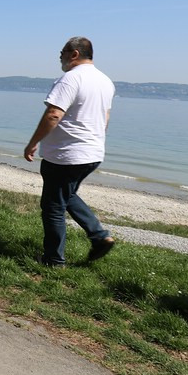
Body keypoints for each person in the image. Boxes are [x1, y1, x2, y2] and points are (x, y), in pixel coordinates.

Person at [23, 36, 116, 267]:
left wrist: (33, 142)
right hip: (93, 153)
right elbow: (105, 118)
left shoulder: (70, 79)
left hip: (67, 154)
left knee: (53, 207)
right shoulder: (105, 81)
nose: (60, 56)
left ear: (74, 54)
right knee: (67, 194)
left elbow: (54, 114)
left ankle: (54, 260)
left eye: (62, 52)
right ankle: (99, 236)